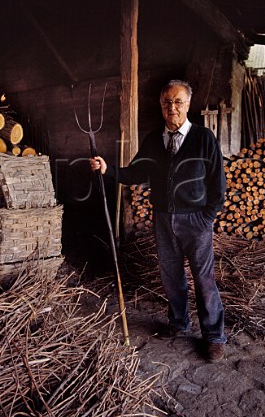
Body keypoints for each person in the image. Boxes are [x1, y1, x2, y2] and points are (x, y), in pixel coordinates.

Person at [90, 79, 227, 362]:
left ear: (188, 105)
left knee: (203, 279)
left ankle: (213, 336)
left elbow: (218, 184)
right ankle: (179, 324)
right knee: (171, 275)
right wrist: (108, 170)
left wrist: (207, 216)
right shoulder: (155, 139)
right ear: (161, 105)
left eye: (178, 102)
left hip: (196, 221)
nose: (172, 107)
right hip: (163, 218)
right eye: (167, 102)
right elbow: (137, 172)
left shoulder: (204, 138)